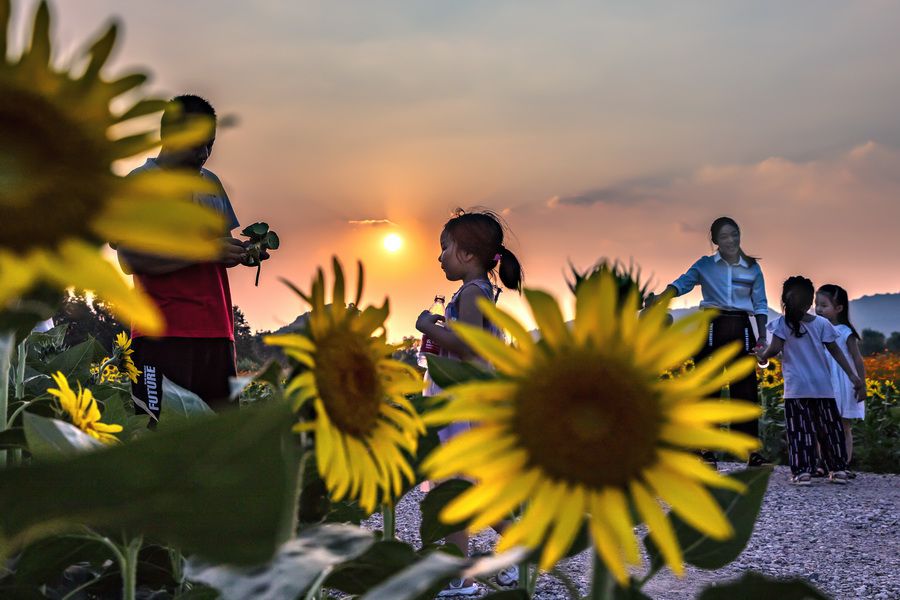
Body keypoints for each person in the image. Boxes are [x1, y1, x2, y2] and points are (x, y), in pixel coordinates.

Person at [116, 95, 253, 418]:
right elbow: (131, 259)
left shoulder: (211, 185)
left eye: (210, 144)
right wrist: (205, 252)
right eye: (196, 144)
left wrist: (241, 252)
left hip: (217, 333)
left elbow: (221, 248)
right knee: (158, 441)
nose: (204, 154)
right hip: (161, 334)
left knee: (220, 443)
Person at [415, 209, 523, 598]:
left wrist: (430, 327)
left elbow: (472, 349)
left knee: (456, 490)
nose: (439, 256)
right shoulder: (476, 293)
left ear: (466, 253)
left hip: (463, 404)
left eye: (444, 248)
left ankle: (461, 579)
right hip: (465, 402)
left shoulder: (474, 293)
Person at [645, 216, 769, 468]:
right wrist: (658, 299)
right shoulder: (705, 265)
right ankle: (705, 450)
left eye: (734, 234)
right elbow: (682, 285)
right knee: (708, 388)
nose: (731, 240)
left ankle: (749, 451)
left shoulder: (752, 268)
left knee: (744, 389)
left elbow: (760, 303)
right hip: (711, 326)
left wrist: (763, 336)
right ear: (715, 241)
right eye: (724, 236)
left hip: (742, 328)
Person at [756, 276, 864, 485]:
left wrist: (762, 355)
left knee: (800, 432)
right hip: (823, 388)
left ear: (785, 301)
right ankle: (839, 469)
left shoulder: (781, 324)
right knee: (829, 430)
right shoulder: (822, 324)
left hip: (797, 390)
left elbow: (774, 350)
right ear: (809, 303)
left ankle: (803, 472)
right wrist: (853, 375)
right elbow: (836, 352)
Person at [815, 284, 866, 474]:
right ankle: (823, 463)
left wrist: (862, 384)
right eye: (816, 304)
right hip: (822, 381)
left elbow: (857, 359)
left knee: (844, 425)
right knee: (821, 425)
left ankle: (843, 463)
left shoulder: (845, 332)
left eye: (823, 305)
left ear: (839, 309)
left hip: (843, 383)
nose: (818, 309)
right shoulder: (815, 329)